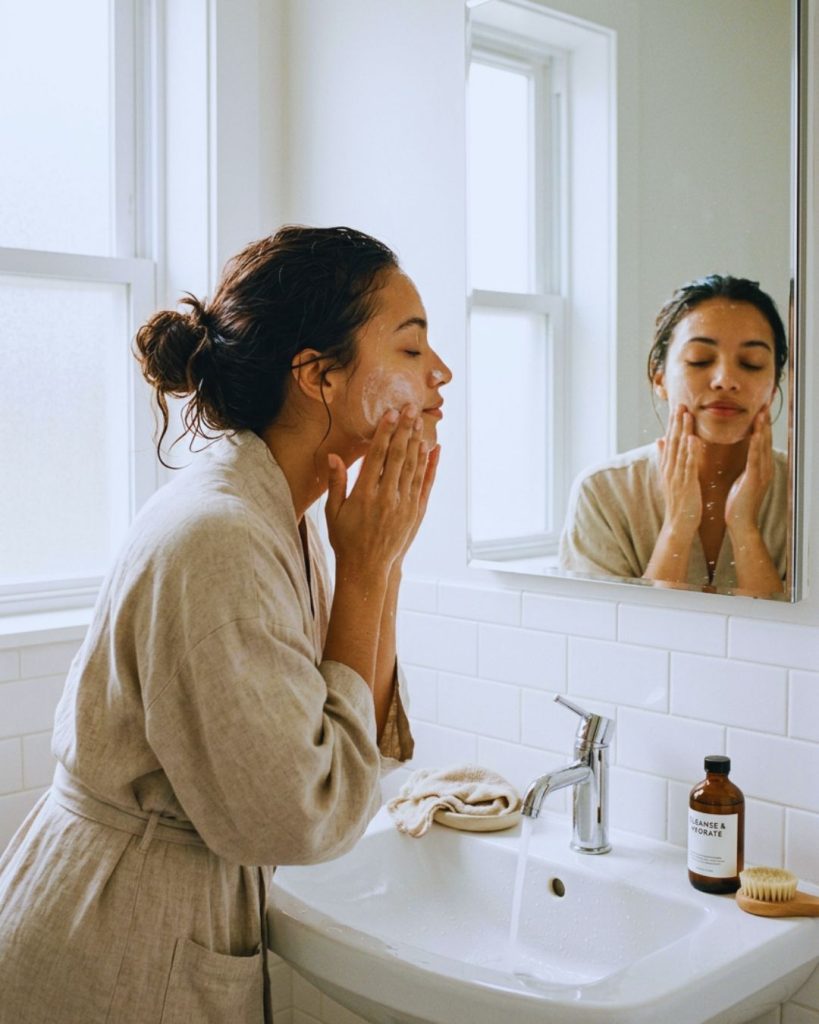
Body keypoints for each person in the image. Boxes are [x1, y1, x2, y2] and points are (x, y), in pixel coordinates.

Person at [0, 225, 451, 1023]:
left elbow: (353, 749)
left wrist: (380, 559)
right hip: (114, 946)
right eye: (412, 351)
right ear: (317, 376)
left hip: (149, 912)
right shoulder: (221, 538)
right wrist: (370, 573)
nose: (440, 375)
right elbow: (304, 815)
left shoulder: (284, 517)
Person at [559, 275, 788, 595]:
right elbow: (617, 638)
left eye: (751, 363)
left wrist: (744, 527)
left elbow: (786, 641)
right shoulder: (603, 493)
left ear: (774, 387)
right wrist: (678, 525)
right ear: (660, 378)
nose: (725, 380)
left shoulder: (805, 496)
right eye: (700, 360)